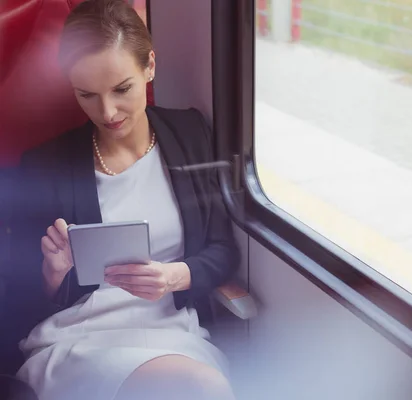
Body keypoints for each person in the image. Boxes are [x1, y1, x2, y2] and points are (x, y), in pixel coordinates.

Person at [4, 0, 240, 399]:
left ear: (149, 66)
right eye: (87, 95)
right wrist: (53, 272)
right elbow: (19, 298)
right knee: (197, 388)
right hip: (78, 338)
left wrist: (174, 277)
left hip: (172, 332)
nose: (107, 111)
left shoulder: (190, 133)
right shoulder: (46, 163)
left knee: (199, 384)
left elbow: (223, 249)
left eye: (122, 89)